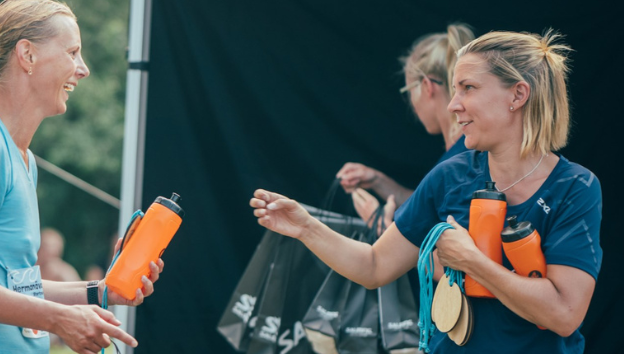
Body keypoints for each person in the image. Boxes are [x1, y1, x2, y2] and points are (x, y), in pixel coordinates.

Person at [251, 30, 602, 353]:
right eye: (454, 89)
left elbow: (565, 314)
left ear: (518, 94)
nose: (452, 104)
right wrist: (306, 228)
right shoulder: (450, 176)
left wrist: (473, 263)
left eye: (468, 88)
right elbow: (374, 266)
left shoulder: (575, 187)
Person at [0, 0, 163, 354]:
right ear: (27, 55)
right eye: (72, 52)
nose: (83, 69)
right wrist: (57, 318)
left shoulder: (23, 158)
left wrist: (104, 290)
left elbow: (15, 286)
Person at [337, 24, 475, 223]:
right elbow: (426, 206)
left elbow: (436, 246)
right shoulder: (463, 152)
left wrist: (378, 224)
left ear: (427, 87)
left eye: (409, 90)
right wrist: (377, 180)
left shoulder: (456, 162)